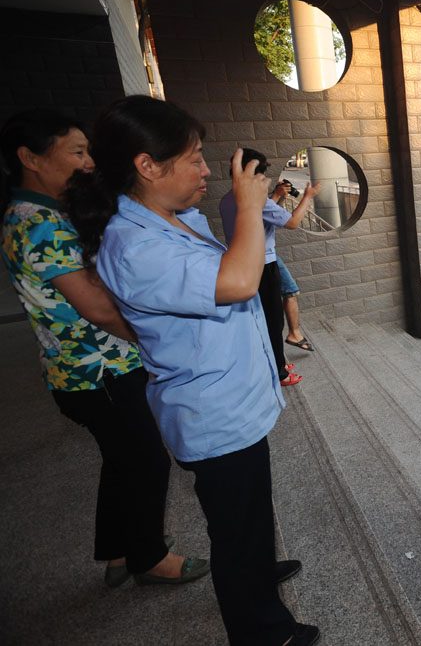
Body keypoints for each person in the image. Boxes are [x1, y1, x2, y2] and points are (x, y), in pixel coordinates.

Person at [66, 96, 318, 646]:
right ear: (147, 166)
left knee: (248, 516)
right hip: (214, 413)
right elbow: (236, 282)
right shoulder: (133, 245)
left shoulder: (169, 218)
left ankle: (256, 569)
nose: (205, 169)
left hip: (231, 400)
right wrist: (250, 206)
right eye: (195, 158)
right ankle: (263, 631)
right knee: (236, 530)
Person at [1, 109, 206, 589]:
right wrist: (155, 341)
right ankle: (150, 558)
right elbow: (96, 307)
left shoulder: (31, 212)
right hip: (99, 371)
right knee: (146, 460)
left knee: (121, 458)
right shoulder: (40, 223)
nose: (89, 162)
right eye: (76, 152)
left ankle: (117, 550)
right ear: (30, 158)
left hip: (77, 372)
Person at [219, 159, 320, 387]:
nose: (265, 181)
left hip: (244, 261)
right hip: (263, 264)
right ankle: (280, 373)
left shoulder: (227, 199)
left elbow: (257, 217)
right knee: (273, 321)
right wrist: (308, 197)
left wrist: (275, 197)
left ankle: (278, 362)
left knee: (264, 317)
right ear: (252, 175)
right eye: (262, 176)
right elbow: (293, 222)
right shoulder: (257, 201)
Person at [277, 256, 313, 352]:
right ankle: (294, 334)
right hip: (262, 257)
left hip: (266, 255)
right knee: (290, 291)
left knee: (290, 291)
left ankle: (294, 334)